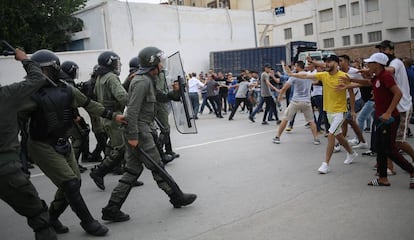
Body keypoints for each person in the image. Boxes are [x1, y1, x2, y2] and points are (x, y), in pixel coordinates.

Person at [19, 49, 125, 236]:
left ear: (54, 69)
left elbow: (89, 104)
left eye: (44, 70)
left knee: (73, 182)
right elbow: (13, 120)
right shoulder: (28, 93)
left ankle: (51, 217)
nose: (40, 75)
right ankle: (88, 222)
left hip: (62, 141)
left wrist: (114, 116)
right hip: (41, 145)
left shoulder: (66, 89)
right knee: (70, 183)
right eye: (37, 70)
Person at [101, 46, 197, 222]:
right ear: (153, 62)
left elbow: (160, 96)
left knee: (132, 170)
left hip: (140, 129)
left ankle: (111, 208)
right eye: (160, 61)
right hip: (140, 129)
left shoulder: (148, 79)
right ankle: (177, 197)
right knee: (157, 166)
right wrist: (133, 137)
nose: (163, 64)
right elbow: (132, 111)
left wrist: (176, 92)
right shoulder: (141, 81)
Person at [0, 48, 57, 240]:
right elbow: (37, 78)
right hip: (7, 170)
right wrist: (24, 59)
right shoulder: (6, 95)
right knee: (39, 217)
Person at [340, 53, 414, 188]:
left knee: (390, 149)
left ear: (377, 64)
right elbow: (368, 82)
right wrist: (349, 82)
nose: (367, 66)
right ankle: (382, 178)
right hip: (380, 117)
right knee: (380, 148)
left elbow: (398, 93)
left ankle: (412, 171)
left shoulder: (386, 76)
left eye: (370, 63)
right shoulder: (378, 77)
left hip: (389, 119)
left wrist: (388, 112)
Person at [285, 55, 358, 174]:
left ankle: (326, 164)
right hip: (329, 111)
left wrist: (353, 110)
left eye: (329, 62)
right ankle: (351, 153)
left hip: (340, 112)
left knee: (331, 135)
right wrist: (293, 74)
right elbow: (306, 75)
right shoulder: (324, 75)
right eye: (326, 63)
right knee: (339, 135)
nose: (327, 64)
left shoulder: (344, 76)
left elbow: (351, 92)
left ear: (336, 63)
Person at [90, 51, 144, 190]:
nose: (118, 65)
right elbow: (122, 97)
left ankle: (129, 176)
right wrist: (138, 102)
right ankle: (99, 172)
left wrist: (127, 82)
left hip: (108, 117)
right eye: (116, 62)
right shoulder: (111, 77)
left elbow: (111, 93)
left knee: (118, 146)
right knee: (122, 148)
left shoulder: (101, 77)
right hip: (115, 117)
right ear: (110, 63)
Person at [272, 61, 320, 145]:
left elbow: (284, 88)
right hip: (307, 101)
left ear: (297, 66)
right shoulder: (308, 75)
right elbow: (316, 81)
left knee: (285, 119)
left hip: (296, 101)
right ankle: (316, 139)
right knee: (311, 121)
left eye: (295, 66)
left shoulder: (295, 76)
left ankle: (277, 137)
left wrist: (279, 96)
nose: (294, 68)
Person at [60, 60, 90, 173]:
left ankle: (72, 164)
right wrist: (75, 116)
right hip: (69, 116)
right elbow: (70, 102)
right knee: (78, 138)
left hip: (63, 116)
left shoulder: (63, 81)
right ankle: (73, 165)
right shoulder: (68, 83)